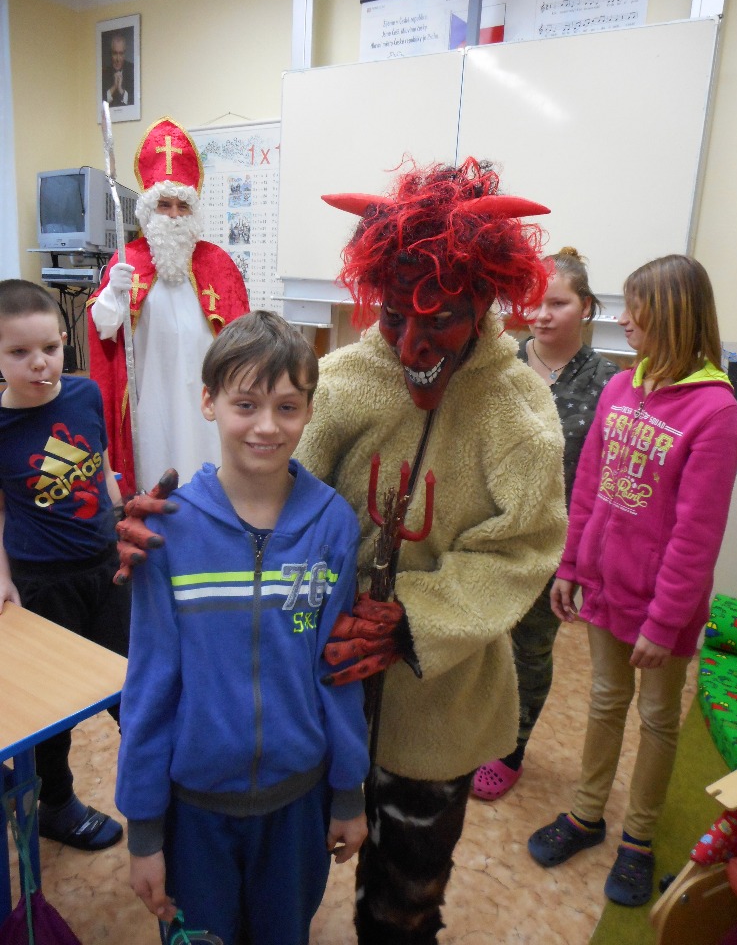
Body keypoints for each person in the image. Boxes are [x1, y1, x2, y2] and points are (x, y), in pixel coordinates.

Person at [115, 156, 569, 944]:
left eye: (440, 320)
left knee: (406, 897)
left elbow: (524, 545)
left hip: (441, 700)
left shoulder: (517, 408)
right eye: (394, 317)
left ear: (483, 301)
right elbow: (264, 480)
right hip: (312, 692)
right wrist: (178, 526)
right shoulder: (342, 380)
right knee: (295, 864)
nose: (413, 345)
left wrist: (415, 619)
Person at [115, 310, 369, 945]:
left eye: (287, 407)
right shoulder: (166, 531)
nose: (266, 426)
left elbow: (338, 669)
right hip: (194, 810)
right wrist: (144, 830)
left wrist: (348, 791)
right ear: (209, 402)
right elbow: (149, 682)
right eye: (246, 404)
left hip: (298, 802)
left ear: (309, 411)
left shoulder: (333, 524)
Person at [528, 254, 737, 908]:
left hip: (663, 609)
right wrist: (571, 567)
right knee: (603, 701)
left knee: (656, 718)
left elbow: (696, 537)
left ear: (672, 316)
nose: (624, 320)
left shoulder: (717, 413)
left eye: (637, 310)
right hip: (604, 589)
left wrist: (664, 622)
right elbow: (589, 487)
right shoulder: (622, 387)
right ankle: (586, 815)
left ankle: (639, 839)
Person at [473, 247, 619, 801]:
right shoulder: (499, 362)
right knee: (477, 640)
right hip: (487, 528)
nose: (540, 314)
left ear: (586, 308)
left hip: (554, 542)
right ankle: (469, 731)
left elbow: (602, 481)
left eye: (557, 303)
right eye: (534, 302)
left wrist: (581, 561)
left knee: (529, 650)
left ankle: (511, 748)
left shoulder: (608, 384)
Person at [0, 279, 129, 851]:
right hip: (43, 584)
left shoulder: (85, 395)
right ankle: (55, 802)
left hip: (107, 569)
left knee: (134, 686)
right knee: (55, 710)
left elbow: (100, 468)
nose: (39, 363)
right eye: (19, 352)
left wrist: (125, 526)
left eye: (50, 348)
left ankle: (167, 789)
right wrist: (3, 578)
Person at [88, 117, 250, 496]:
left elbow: (244, 340)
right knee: (155, 472)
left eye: (182, 206)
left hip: (207, 397)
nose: (174, 215)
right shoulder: (126, 261)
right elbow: (105, 330)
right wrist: (112, 294)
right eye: (164, 205)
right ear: (149, 209)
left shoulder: (218, 264)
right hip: (152, 396)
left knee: (208, 474)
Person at [102, 31, 135, 107]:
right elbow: (101, 104)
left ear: (124, 54)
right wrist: (114, 87)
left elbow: (134, 102)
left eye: (121, 53)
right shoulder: (104, 73)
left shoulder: (132, 70)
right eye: (115, 53)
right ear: (111, 53)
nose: (118, 59)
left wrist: (120, 90)